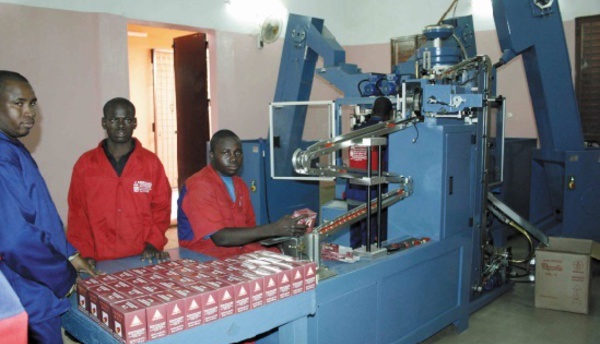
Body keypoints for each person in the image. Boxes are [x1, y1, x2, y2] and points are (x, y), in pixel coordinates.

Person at [0, 70, 97, 343]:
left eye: (32, 103)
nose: (29, 112)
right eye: (18, 103)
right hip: (27, 294)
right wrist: (62, 275)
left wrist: (68, 253)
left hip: (35, 287)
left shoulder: (12, 148)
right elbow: (15, 238)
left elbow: (38, 213)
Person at [67, 97, 172, 267]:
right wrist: (85, 253)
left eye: (127, 119)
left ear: (135, 123)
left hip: (142, 256)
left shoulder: (151, 163)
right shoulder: (85, 165)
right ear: (104, 123)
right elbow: (78, 214)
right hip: (99, 259)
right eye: (115, 119)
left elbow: (162, 208)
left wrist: (154, 243)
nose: (121, 125)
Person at [177, 129, 307, 259]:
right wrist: (274, 228)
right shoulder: (199, 185)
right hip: (204, 258)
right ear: (211, 155)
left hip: (238, 251)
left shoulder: (240, 185)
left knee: (291, 261)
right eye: (225, 153)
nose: (233, 158)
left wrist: (285, 232)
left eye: (238, 152)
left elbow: (250, 231)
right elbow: (220, 238)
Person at [346, 96, 393, 249]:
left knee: (356, 234)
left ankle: (354, 259)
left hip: (353, 189)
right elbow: (387, 163)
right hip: (372, 192)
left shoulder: (357, 129)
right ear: (389, 114)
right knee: (371, 239)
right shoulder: (385, 131)